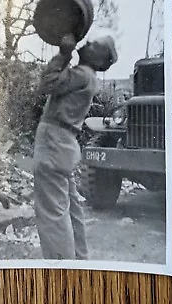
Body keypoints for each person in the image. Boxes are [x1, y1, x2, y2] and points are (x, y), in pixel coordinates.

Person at [33, 33, 118, 260]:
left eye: (95, 45)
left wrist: (63, 54)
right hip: (63, 144)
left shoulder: (81, 75)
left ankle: (61, 270)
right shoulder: (88, 76)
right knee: (70, 209)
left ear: (100, 61)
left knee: (52, 213)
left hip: (53, 141)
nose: (88, 42)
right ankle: (80, 260)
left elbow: (47, 83)